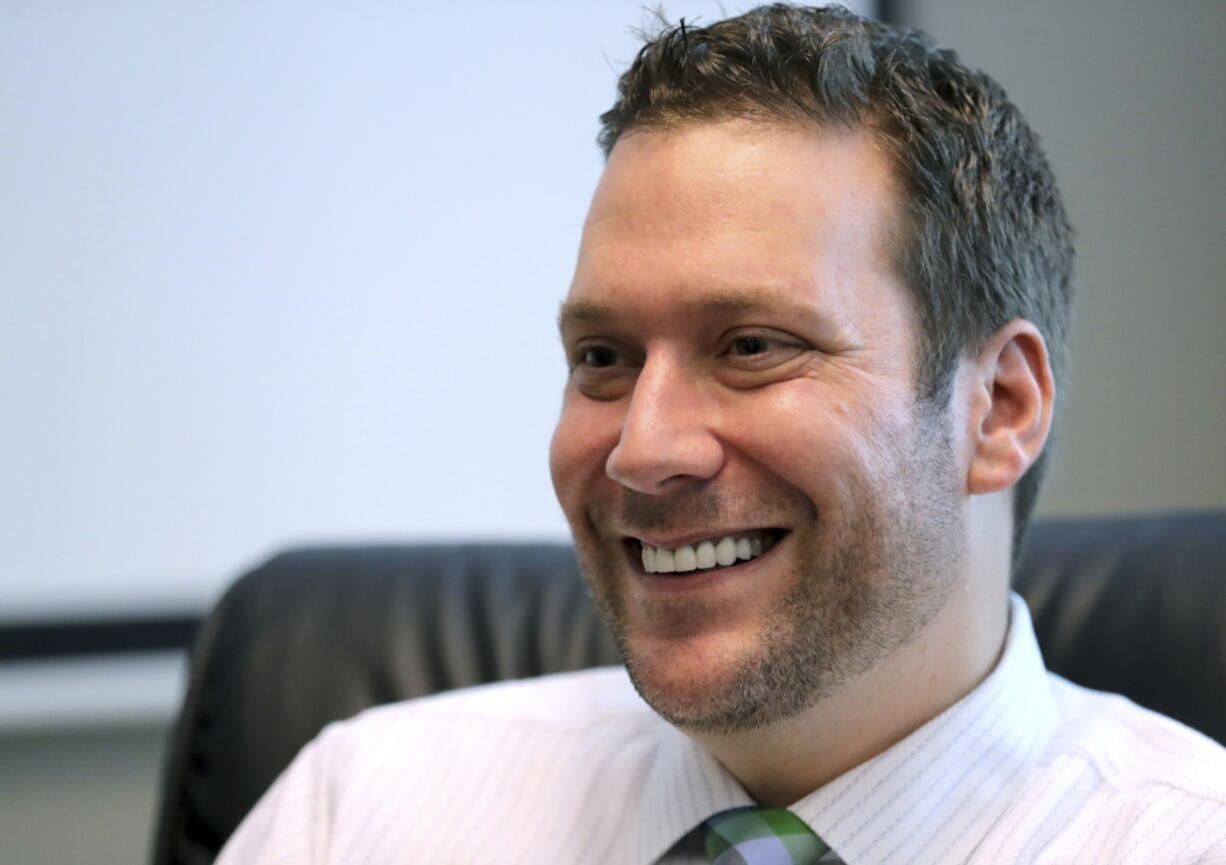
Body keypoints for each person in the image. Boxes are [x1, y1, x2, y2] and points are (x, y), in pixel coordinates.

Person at [217, 5, 1226, 863]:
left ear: (997, 408)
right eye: (603, 358)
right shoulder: (359, 813)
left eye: (750, 345)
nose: (642, 449)